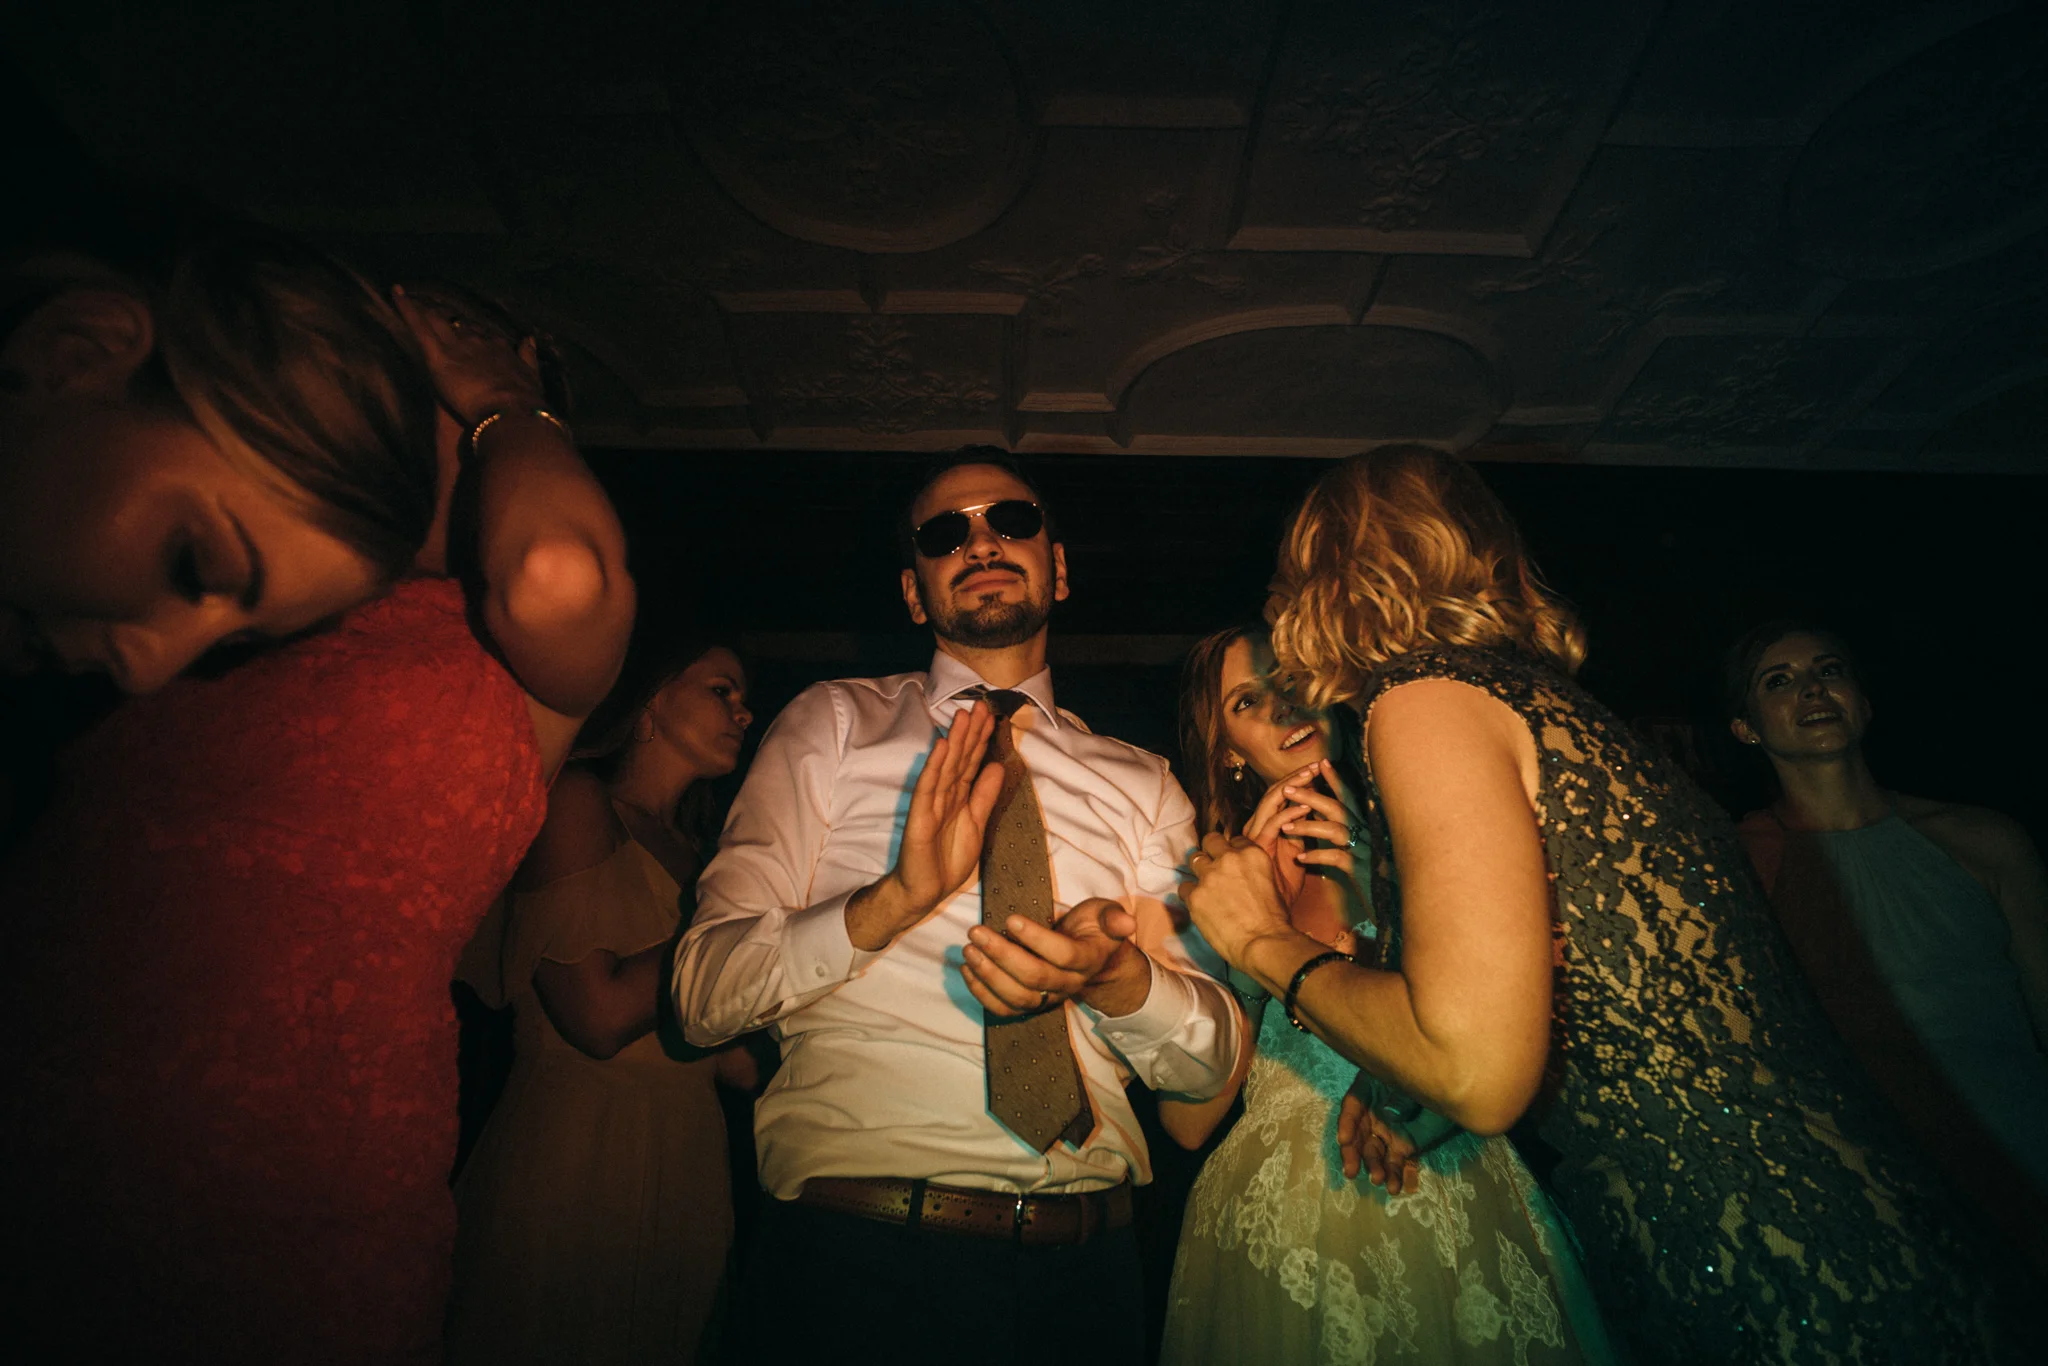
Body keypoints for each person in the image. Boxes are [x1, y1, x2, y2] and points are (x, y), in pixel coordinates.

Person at [1179, 446, 2035, 1365]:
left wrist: (1259, 940)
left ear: (1326, 575)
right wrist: (1408, 1102)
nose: (1278, 609)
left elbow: (1478, 1071)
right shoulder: (1529, 703)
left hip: (1773, 1259)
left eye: (1286, 577)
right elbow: (1602, 985)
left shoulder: (1424, 698)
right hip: (1824, 1227)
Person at [0, 223, 633, 1365]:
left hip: (298, 1202)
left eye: (467, 436)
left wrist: (502, 399)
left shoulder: (522, 663)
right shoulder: (216, 603)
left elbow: (555, 573)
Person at [673, 449, 1243, 1366]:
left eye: (1011, 520)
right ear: (914, 592)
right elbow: (700, 995)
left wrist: (1119, 979)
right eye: (945, 534)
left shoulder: (1144, 783)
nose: (980, 543)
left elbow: (1210, 1063)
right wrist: (889, 903)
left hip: (1088, 1278)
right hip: (855, 1265)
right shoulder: (833, 723)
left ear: (1059, 567)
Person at [1159, 624, 1614, 1366]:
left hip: (1444, 1184)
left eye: (1291, 677)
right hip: (1279, 1219)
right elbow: (1185, 1123)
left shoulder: (1435, 835)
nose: (1282, 705)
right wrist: (1248, 959)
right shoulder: (1218, 883)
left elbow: (1503, 1039)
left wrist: (1384, 884)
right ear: (1228, 751)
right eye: (1247, 701)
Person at [446, 636, 758, 1365]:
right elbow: (597, 1016)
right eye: (722, 691)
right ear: (653, 698)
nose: (744, 713)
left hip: (688, 1156)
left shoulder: (708, 855)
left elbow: (735, 1065)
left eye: (745, 700)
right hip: (581, 1148)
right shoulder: (577, 802)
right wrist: (750, 933)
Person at [1726, 622, 2048, 1227]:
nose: (1813, 689)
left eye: (1829, 671)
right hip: (1864, 1188)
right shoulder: (1735, 865)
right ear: (1746, 727)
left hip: (2019, 1153)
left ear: (1864, 702)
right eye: (1779, 681)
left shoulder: (1986, 840)